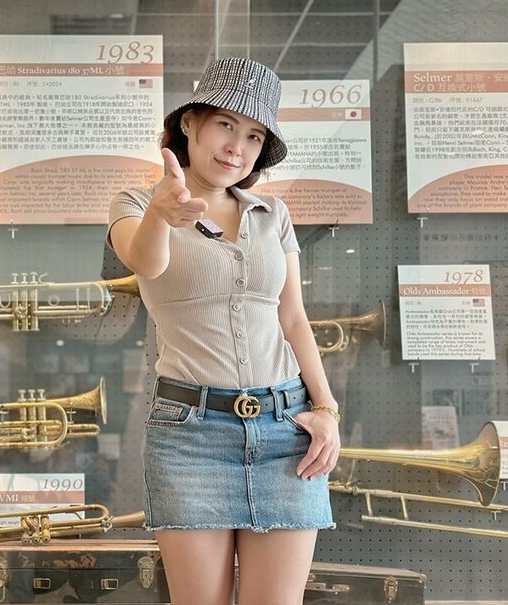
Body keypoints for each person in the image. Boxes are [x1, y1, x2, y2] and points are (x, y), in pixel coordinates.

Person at [106, 57, 341, 605]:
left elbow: (292, 318)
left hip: (286, 432)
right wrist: (162, 215)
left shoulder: (273, 213)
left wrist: (327, 410)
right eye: (226, 125)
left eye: (254, 136)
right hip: (191, 435)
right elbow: (147, 263)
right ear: (190, 123)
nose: (237, 147)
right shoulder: (136, 203)